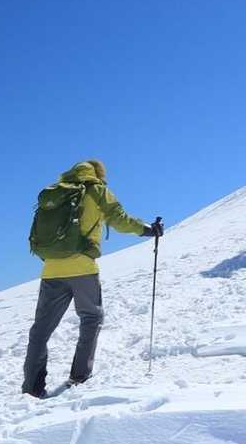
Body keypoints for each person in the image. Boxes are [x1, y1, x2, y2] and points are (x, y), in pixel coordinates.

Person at [23, 159, 161, 399]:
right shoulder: (96, 190)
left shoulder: (56, 193)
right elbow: (119, 219)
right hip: (83, 268)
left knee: (41, 330)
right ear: (98, 173)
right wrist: (149, 229)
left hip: (51, 270)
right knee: (91, 318)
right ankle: (79, 377)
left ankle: (31, 388)